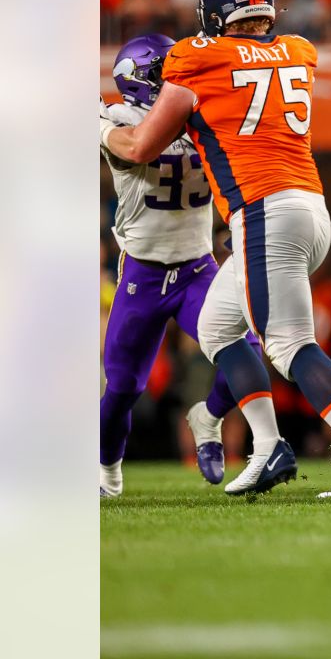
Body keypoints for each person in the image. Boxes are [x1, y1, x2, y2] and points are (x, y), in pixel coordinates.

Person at [102, 0, 331, 497]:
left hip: (261, 212)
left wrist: (98, 126)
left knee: (291, 344)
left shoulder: (196, 57)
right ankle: (267, 448)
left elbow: (140, 147)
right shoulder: (301, 49)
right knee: (216, 328)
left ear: (212, 13)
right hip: (309, 207)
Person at [98, 33, 256, 496]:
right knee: (123, 387)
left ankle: (207, 416)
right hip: (142, 277)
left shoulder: (201, 114)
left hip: (196, 270)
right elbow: (131, 147)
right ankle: (107, 469)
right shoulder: (121, 120)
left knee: (246, 349)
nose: (179, 79)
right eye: (168, 71)